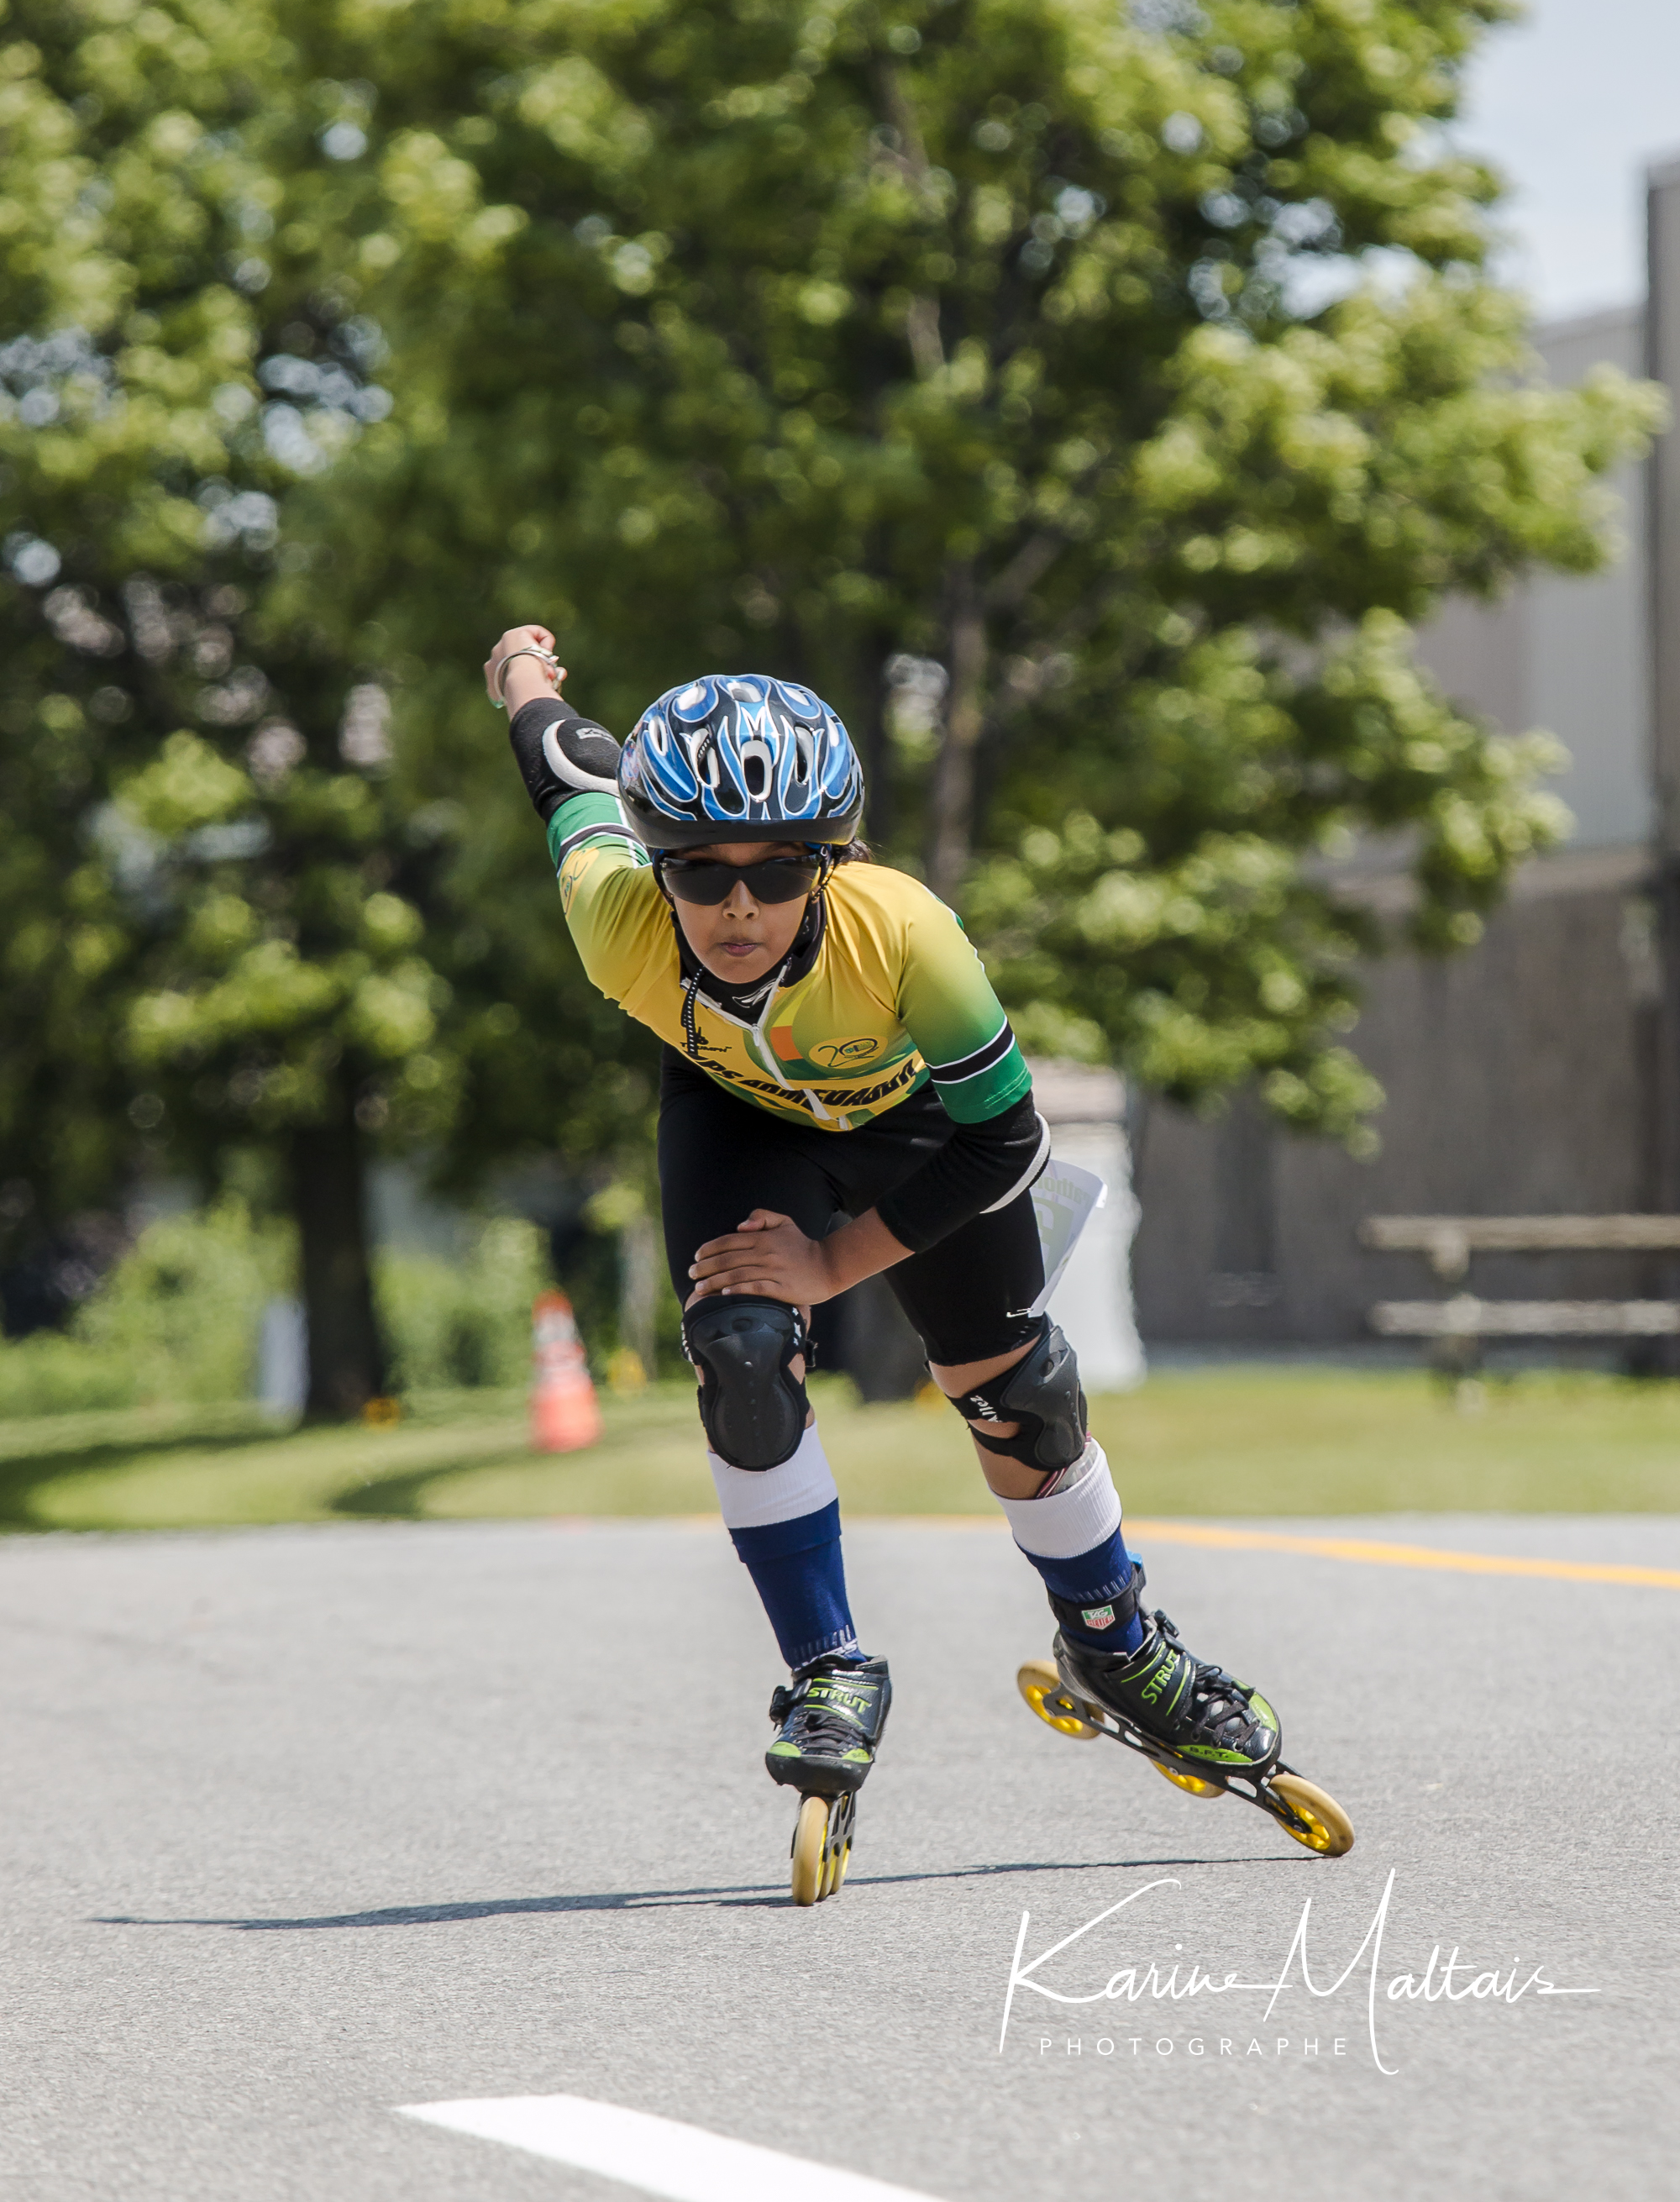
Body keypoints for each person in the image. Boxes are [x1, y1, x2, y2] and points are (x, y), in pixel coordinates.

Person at [485, 627, 1284, 1827]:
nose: (739, 906)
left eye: (779, 872)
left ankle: (1119, 1643)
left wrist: (833, 1265)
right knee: (742, 1357)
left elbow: (1006, 1142)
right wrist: (524, 680)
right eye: (700, 874)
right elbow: (564, 770)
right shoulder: (613, 914)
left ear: (833, 861)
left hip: (925, 1125)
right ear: (656, 870)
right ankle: (828, 1669)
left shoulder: (903, 930)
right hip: (738, 1112)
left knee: (1021, 1395)